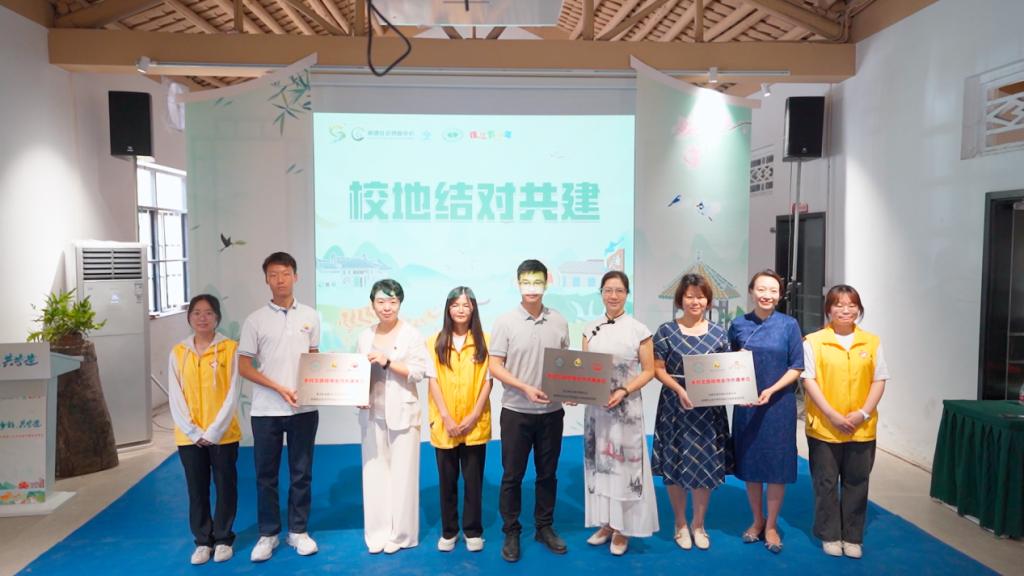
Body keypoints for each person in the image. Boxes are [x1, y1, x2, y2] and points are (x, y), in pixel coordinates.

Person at [238, 252, 321, 562]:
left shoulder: (310, 316)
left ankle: (298, 531)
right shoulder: (255, 320)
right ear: (266, 280)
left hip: (303, 409)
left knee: (302, 473)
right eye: (273, 275)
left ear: (295, 276)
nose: (280, 280)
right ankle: (268, 534)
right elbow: (244, 367)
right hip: (266, 411)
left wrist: (310, 386)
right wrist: (279, 388)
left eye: (285, 273)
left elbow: (314, 358)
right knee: (266, 475)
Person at [489, 259, 570, 563]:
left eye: (537, 282)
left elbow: (565, 365)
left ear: (546, 283)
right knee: (512, 475)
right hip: (516, 411)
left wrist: (570, 390)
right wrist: (524, 387)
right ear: (518, 283)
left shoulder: (559, 320)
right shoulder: (505, 322)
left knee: (548, 474)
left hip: (552, 412)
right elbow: (495, 366)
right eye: (526, 282)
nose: (532, 288)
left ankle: (544, 526)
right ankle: (511, 530)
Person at [802, 285, 889, 559]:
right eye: (838, 305)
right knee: (826, 482)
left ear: (859, 309)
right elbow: (809, 380)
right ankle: (829, 534)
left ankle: (852, 536)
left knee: (857, 481)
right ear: (828, 309)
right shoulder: (814, 341)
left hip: (861, 427)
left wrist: (863, 413)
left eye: (851, 305)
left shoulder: (871, 342)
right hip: (824, 425)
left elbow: (879, 379)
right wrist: (831, 414)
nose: (845, 310)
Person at [651, 273, 731, 552]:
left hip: (708, 412)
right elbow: (657, 369)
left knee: (704, 465)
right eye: (689, 296)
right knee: (675, 464)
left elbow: (727, 370)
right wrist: (679, 390)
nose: (695, 301)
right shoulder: (666, 331)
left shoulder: (719, 333)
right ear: (680, 300)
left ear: (708, 300)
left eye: (700, 296)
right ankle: (680, 523)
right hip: (676, 407)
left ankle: (699, 524)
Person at [581, 271, 658, 556]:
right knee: (600, 464)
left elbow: (649, 370)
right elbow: (584, 369)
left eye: (619, 290)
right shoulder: (590, 329)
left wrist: (624, 390)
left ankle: (623, 528)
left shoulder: (639, 330)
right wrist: (577, 393)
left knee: (624, 466)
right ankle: (606, 523)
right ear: (601, 293)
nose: (613, 296)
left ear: (627, 294)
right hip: (597, 410)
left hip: (626, 409)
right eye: (608, 290)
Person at [727, 269, 804, 554]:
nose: (767, 295)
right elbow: (728, 362)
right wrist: (737, 384)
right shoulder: (738, 324)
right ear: (751, 291)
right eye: (761, 289)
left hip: (779, 406)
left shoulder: (789, 325)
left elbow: (796, 366)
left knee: (776, 466)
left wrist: (771, 390)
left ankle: (771, 525)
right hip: (746, 406)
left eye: (773, 290)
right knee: (751, 464)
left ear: (780, 294)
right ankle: (757, 520)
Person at [357, 279, 429, 554]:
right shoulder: (365, 336)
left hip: (403, 412)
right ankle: (377, 533)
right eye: (381, 301)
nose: (386, 307)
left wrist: (388, 362)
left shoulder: (411, 334)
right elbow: (356, 372)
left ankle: (402, 535)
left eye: (392, 301)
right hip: (372, 412)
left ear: (400, 303)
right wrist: (357, 394)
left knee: (403, 475)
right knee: (374, 473)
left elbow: (419, 371)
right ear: (372, 304)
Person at [168, 294, 241, 565]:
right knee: (196, 489)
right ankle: (202, 541)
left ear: (217, 318)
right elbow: (175, 395)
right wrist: (192, 431)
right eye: (196, 312)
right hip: (189, 437)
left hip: (223, 435)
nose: (202, 318)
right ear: (189, 317)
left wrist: (213, 431)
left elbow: (233, 393)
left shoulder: (230, 349)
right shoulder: (178, 352)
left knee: (225, 486)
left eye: (208, 312)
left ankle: (223, 538)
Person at [426, 287, 492, 553]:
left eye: (465, 304)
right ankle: (449, 531)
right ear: (448, 309)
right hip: (445, 423)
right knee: (447, 480)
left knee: (474, 481)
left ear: (473, 308)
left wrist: (474, 415)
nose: (460, 310)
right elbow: (432, 380)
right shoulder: (434, 341)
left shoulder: (486, 340)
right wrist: (446, 416)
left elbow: (488, 381)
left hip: (475, 422)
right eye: (455, 305)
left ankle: (473, 531)